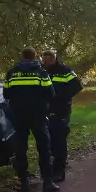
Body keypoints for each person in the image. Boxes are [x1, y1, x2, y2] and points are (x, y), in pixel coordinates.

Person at [3, 48, 58, 192]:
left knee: (20, 147)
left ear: (22, 57)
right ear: (35, 57)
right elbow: (51, 93)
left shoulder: (12, 73)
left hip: (18, 115)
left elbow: (6, 93)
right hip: (38, 115)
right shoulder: (41, 73)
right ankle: (47, 181)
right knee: (44, 147)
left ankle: (24, 182)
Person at [40, 49, 83, 182]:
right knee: (47, 141)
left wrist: (62, 97)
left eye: (47, 61)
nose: (45, 63)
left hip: (61, 110)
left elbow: (77, 85)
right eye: (43, 61)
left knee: (59, 140)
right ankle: (49, 168)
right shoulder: (41, 71)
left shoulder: (64, 70)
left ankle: (59, 170)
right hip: (45, 110)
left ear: (53, 59)